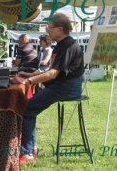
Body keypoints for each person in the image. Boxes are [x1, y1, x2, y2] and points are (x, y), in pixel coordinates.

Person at [11, 13, 85, 164]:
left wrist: (28, 81)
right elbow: (52, 70)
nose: (47, 31)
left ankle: (27, 153)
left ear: (60, 29)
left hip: (67, 87)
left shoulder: (68, 46)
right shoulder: (62, 44)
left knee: (28, 109)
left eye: (49, 28)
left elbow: (52, 74)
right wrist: (29, 74)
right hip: (62, 85)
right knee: (30, 109)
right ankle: (31, 148)